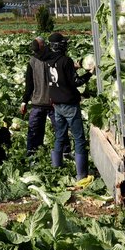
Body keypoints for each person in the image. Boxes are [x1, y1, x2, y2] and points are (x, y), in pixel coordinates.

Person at [41, 31, 91, 177]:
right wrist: (90, 73)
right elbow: (75, 82)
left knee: (60, 135)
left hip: (56, 104)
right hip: (69, 105)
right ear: (61, 45)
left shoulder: (49, 61)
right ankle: (81, 174)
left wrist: (73, 69)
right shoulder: (66, 60)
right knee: (79, 138)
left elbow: (59, 75)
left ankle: (56, 168)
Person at [18, 35, 53, 155]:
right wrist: (24, 101)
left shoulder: (53, 58)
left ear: (43, 46)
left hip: (52, 102)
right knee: (34, 130)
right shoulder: (32, 61)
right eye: (34, 51)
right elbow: (29, 83)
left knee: (59, 130)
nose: (36, 53)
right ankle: (32, 151)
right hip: (37, 102)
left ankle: (63, 153)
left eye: (37, 50)